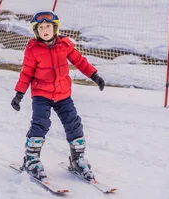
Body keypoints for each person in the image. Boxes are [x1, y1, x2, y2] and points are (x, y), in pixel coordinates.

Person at [10, 10, 105, 181]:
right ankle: (31, 159)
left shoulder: (65, 44)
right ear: (36, 31)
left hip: (63, 94)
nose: (45, 30)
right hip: (41, 95)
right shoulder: (32, 49)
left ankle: (77, 160)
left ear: (55, 28)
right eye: (40, 27)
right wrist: (19, 94)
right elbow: (26, 73)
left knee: (73, 124)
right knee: (41, 123)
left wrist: (94, 76)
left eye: (48, 26)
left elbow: (80, 61)